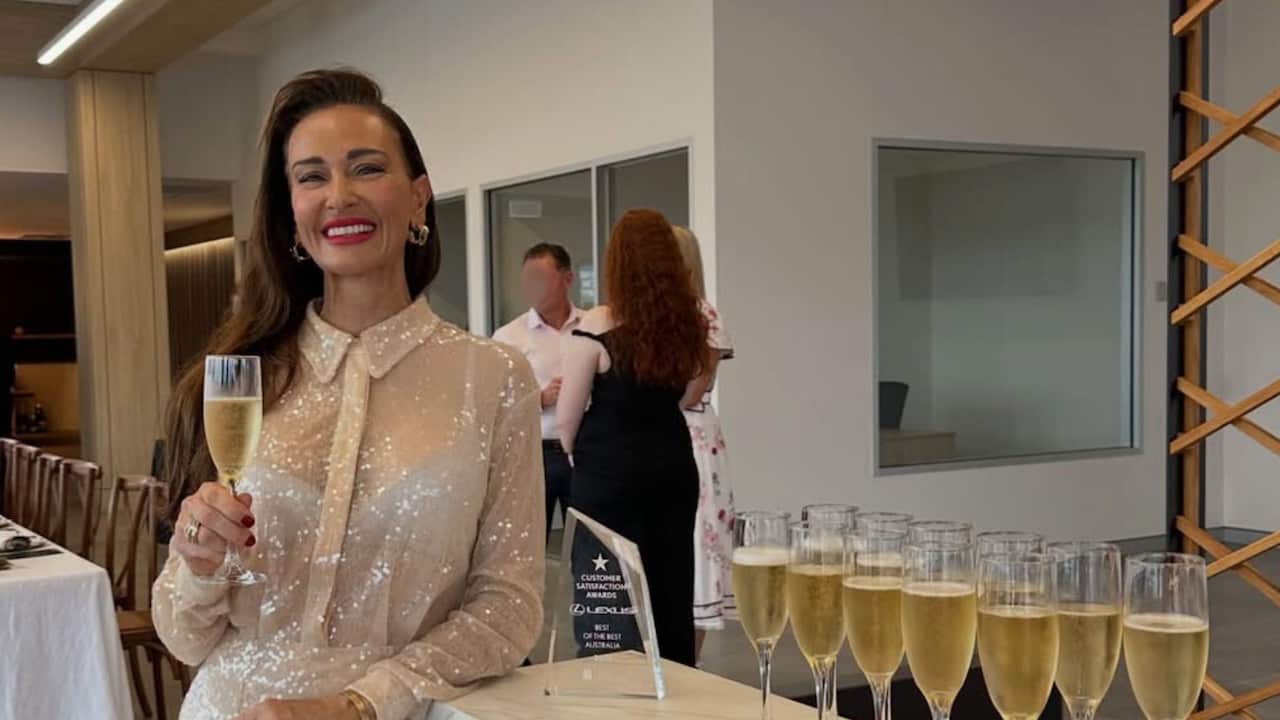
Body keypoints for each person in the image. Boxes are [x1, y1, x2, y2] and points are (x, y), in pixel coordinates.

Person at [151, 69, 544, 720]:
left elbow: (509, 606)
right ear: (290, 214)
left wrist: (361, 703)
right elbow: (185, 636)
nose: (339, 195)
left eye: (366, 169)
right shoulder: (240, 376)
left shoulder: (493, 377)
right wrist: (198, 559)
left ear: (418, 199)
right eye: (311, 176)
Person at [557, 209, 708, 666]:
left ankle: (617, 693)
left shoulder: (598, 325)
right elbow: (685, 394)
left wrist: (573, 451)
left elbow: (567, 417)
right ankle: (677, 687)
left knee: (608, 594)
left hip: (609, 476)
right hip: (673, 467)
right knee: (670, 587)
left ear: (617, 263)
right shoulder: (685, 327)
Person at [671, 226, 736, 660]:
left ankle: (687, 662)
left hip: (692, 436)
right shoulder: (640, 315)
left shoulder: (702, 315)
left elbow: (693, 389)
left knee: (698, 540)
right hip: (665, 430)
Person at [492, 243, 581, 539]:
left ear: (567, 279)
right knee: (529, 546)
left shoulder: (592, 327)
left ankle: (592, 587)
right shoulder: (508, 336)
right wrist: (540, 399)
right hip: (535, 453)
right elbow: (497, 405)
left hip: (586, 451)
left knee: (592, 548)